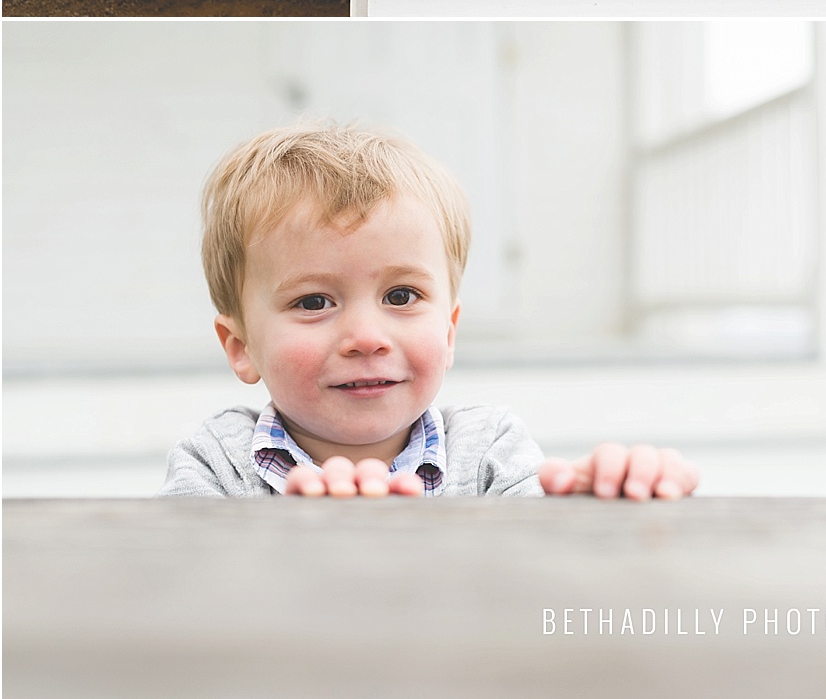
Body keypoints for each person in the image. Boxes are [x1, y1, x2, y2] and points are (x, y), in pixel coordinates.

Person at [161, 121, 699, 505]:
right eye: (313, 302)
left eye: (400, 296)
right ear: (241, 347)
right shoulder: (216, 463)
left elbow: (546, 559)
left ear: (449, 329)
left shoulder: (488, 449)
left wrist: (610, 498)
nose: (366, 338)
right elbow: (176, 587)